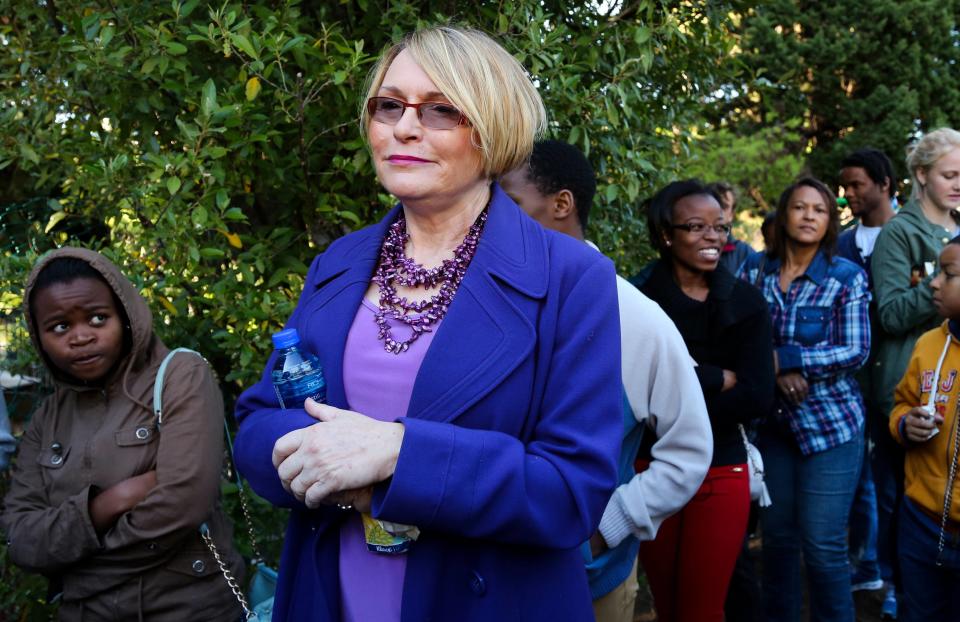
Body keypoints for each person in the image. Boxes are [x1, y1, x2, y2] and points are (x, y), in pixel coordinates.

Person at [232, 26, 623, 622]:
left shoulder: (570, 278)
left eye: (441, 110)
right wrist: (324, 460)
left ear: (492, 128)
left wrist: (397, 456)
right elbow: (258, 422)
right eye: (389, 105)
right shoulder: (338, 263)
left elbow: (572, 492)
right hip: (331, 596)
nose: (404, 127)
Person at [501, 140, 713, 622]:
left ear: (561, 205)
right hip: (489, 581)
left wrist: (604, 527)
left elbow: (690, 449)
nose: (489, 219)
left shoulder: (635, 319)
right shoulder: (489, 304)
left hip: (589, 584)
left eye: (509, 204)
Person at [1, 248, 242, 621]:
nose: (80, 337)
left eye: (98, 318)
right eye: (60, 327)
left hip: (187, 610)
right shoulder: (47, 418)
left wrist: (77, 574)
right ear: (39, 334)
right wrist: (109, 503)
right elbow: (21, 538)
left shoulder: (180, 375)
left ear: (126, 316)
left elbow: (183, 505)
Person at [626, 180, 774, 622]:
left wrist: (674, 396)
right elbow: (631, 389)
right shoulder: (639, 300)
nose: (712, 236)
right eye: (696, 226)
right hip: (648, 470)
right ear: (666, 234)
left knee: (704, 608)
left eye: (720, 227)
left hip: (722, 466)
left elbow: (757, 395)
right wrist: (712, 378)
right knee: (668, 604)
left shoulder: (745, 301)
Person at [739, 177, 871, 622]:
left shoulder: (845, 276)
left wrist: (788, 359)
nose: (809, 215)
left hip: (830, 427)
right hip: (772, 426)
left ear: (831, 220)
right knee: (777, 541)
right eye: (800, 207)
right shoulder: (754, 271)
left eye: (820, 209)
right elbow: (737, 337)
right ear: (784, 213)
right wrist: (773, 367)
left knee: (823, 546)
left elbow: (856, 348)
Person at [871, 127, 960, 618]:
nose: (959, 184)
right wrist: (940, 281)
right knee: (901, 498)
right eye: (949, 174)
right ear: (921, 175)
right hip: (910, 384)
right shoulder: (899, 233)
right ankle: (896, 587)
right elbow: (889, 313)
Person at [836, 148, 899, 602]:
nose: (849, 194)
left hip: (897, 382)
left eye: (857, 184)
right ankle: (865, 565)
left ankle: (898, 578)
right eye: (845, 186)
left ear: (885, 184)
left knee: (895, 484)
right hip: (852, 383)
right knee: (858, 480)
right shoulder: (840, 244)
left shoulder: (913, 236)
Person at [889, 237, 960, 622]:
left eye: (948, 274)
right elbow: (902, 401)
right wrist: (904, 422)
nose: (933, 283)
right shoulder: (929, 344)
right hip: (922, 521)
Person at [708, 181, 753, 273]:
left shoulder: (746, 254)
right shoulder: (690, 246)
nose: (718, 209)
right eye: (713, 203)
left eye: (724, 206)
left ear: (731, 214)